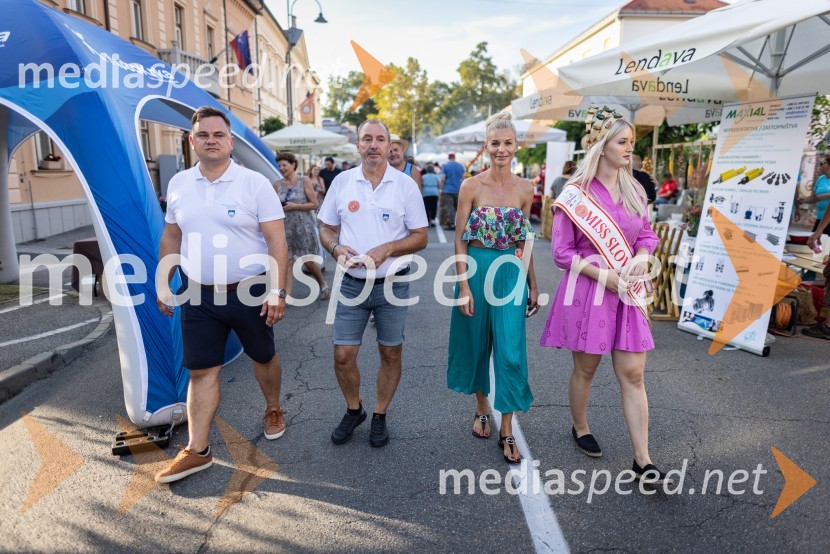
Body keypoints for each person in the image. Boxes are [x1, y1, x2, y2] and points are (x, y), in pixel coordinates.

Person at [154, 106, 289, 483]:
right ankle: (198, 449)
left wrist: (277, 290)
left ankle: (274, 407)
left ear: (230, 142)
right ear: (192, 141)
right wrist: (164, 280)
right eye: (203, 135)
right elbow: (172, 236)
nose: (210, 141)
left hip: (250, 290)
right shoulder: (179, 184)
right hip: (197, 293)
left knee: (263, 356)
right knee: (201, 370)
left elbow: (277, 240)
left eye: (218, 135)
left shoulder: (255, 184)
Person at [540, 110, 670, 484]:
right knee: (587, 368)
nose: (630, 149)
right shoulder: (575, 194)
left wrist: (643, 257)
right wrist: (605, 276)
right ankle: (580, 426)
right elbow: (562, 253)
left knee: (633, 373)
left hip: (626, 289)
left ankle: (643, 460)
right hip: (590, 289)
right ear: (602, 146)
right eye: (622, 142)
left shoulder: (635, 189)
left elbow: (646, 234)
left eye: (631, 142)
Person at [318, 119, 428, 447]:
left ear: (389, 145)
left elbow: (421, 236)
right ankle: (355, 409)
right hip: (352, 282)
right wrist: (335, 248)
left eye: (380, 139)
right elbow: (324, 228)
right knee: (343, 354)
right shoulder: (342, 182)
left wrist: (389, 248)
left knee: (390, 352)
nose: (374, 145)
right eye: (367, 139)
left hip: (393, 282)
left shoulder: (404, 185)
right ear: (358, 145)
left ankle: (380, 413)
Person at [447, 113, 539, 464]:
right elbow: (458, 238)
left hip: (510, 274)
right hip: (476, 267)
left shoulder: (526, 189)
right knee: (477, 344)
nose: (501, 149)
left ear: (516, 146)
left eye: (507, 143)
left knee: (510, 349)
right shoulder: (471, 186)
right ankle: (482, 406)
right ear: (486, 147)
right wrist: (464, 286)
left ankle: (507, 428)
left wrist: (533, 282)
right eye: (495, 143)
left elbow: (525, 239)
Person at [274, 152, 329, 300]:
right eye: (279, 166)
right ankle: (286, 297)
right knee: (288, 261)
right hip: (286, 228)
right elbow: (272, 206)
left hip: (304, 227)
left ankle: (322, 284)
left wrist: (294, 206)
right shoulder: (277, 184)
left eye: (284, 165)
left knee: (307, 261)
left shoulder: (304, 180)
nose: (281, 168)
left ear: (293, 165)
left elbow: (314, 204)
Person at [802, 155, 830, 339]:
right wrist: (818, 232)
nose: (820, 166)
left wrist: (818, 232)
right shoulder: (822, 179)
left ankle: (827, 327)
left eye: (823, 163)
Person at [440, 153, 466, 230]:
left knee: (450, 207)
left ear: (448, 158)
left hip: (448, 190)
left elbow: (443, 179)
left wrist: (441, 189)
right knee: (459, 208)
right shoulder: (460, 166)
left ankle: (452, 224)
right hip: (458, 189)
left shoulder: (445, 166)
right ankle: (460, 224)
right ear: (454, 157)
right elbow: (464, 178)